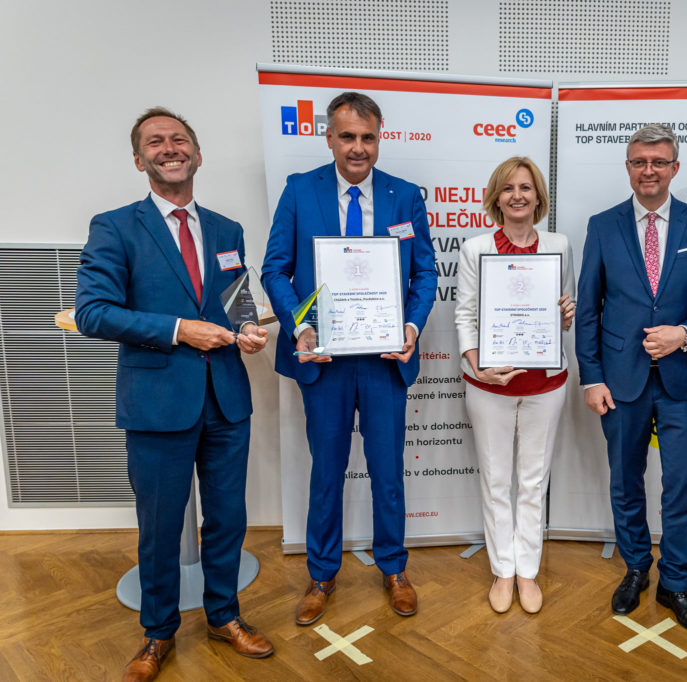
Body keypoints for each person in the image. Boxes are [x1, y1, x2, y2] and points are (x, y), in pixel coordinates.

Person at [76, 108, 273, 682]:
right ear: (139, 160)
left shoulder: (226, 229)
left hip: (227, 399)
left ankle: (224, 617)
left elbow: (237, 299)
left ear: (198, 154)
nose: (170, 148)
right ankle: (158, 633)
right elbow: (93, 312)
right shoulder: (115, 227)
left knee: (228, 519)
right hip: (158, 402)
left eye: (180, 139)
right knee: (161, 526)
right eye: (156, 142)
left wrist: (248, 328)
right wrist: (180, 329)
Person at [262, 92, 437, 624]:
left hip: (385, 358)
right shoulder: (300, 190)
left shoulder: (405, 196)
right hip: (326, 362)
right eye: (347, 137)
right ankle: (321, 574)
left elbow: (424, 272)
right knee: (327, 472)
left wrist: (410, 326)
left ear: (380, 138)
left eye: (368, 137)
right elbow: (275, 269)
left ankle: (394, 568)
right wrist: (302, 326)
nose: (358, 148)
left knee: (388, 471)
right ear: (329, 138)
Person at [575, 123, 687, 636]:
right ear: (628, 167)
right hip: (620, 381)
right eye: (640, 162)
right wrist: (591, 378)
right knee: (625, 481)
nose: (649, 170)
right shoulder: (603, 226)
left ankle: (676, 583)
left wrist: (685, 333)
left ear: (674, 167)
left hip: (681, 381)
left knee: (681, 485)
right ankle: (636, 568)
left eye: (659, 162)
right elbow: (588, 311)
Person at [454, 157, 575, 614]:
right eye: (508, 188)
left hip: (546, 381)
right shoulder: (475, 249)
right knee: (496, 479)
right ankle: (503, 570)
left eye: (526, 187)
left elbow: (565, 310)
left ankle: (528, 570)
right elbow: (465, 315)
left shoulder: (559, 245)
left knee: (533, 480)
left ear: (538, 196)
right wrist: (476, 365)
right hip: (489, 385)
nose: (517, 195)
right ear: (496, 197)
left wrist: (567, 314)